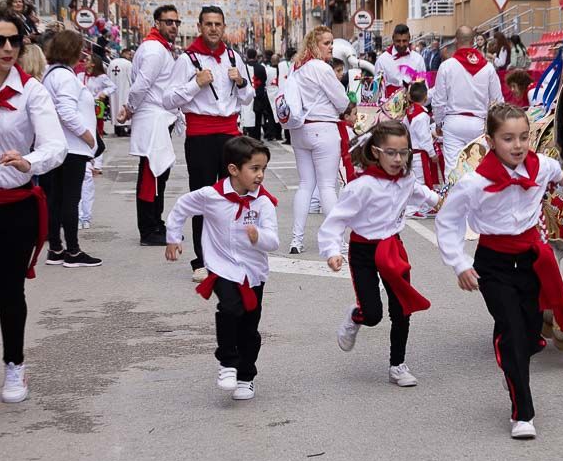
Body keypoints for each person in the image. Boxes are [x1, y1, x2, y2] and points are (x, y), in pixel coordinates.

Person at [435, 103, 563, 441]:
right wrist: (460, 263)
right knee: (511, 330)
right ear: (490, 140)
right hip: (493, 264)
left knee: (528, 336)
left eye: (524, 137)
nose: (517, 145)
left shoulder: (542, 167)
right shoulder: (474, 183)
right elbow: (447, 221)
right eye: (508, 138)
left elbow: (561, 173)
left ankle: (514, 367)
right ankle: (522, 413)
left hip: (529, 261)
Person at [320, 120, 440, 387]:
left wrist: (438, 200)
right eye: (391, 153)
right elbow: (336, 220)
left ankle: (397, 365)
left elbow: (417, 191)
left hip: (392, 248)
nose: (398, 159)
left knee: (401, 309)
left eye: (404, 152)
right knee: (372, 314)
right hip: (364, 250)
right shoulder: (362, 186)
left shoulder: (406, 178)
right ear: (376, 152)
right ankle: (356, 316)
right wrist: (332, 251)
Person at [165, 136, 279, 401]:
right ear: (233, 169)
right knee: (229, 308)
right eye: (254, 168)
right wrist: (173, 237)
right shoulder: (211, 196)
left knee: (249, 330)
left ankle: (246, 376)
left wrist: (257, 237)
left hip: (253, 273)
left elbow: (273, 241)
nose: (260, 175)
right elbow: (181, 207)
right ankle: (227, 362)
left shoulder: (263, 203)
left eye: (263, 168)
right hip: (221, 268)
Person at [0, 10, 67, 403]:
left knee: (8, 290)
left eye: (14, 40)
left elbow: (54, 145)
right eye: (0, 40)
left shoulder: (32, 91)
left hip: (15, 205)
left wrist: (30, 162)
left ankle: (14, 365)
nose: (7, 48)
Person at [163, 6, 254, 283]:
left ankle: (229, 255)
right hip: (200, 135)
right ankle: (201, 260)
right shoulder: (187, 60)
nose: (214, 29)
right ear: (200, 27)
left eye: (218, 24)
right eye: (208, 24)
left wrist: (240, 83)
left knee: (231, 196)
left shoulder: (233, 56)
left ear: (224, 27)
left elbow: (249, 96)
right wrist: (195, 84)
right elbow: (168, 100)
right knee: (203, 197)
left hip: (230, 134)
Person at [286, 26, 353, 255]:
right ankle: (335, 240)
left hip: (299, 129)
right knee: (326, 185)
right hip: (323, 128)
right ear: (315, 45)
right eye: (326, 43)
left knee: (305, 185)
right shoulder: (321, 69)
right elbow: (342, 101)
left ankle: (296, 239)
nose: (331, 47)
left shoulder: (297, 68)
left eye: (331, 42)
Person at [120, 4, 180, 247]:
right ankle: (149, 228)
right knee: (151, 175)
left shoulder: (158, 48)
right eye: (168, 22)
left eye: (176, 22)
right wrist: (129, 108)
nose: (174, 26)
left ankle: (156, 222)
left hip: (157, 116)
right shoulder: (155, 50)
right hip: (153, 117)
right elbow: (142, 85)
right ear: (157, 23)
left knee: (158, 174)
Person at [40, 29, 101, 269]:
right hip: (72, 147)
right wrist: (88, 137)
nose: (84, 55)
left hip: (59, 145)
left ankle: (56, 248)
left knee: (56, 199)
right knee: (69, 200)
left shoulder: (51, 74)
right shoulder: (65, 77)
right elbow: (66, 111)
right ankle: (73, 251)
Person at [430, 25, 503, 175]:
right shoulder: (488, 67)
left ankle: (451, 197)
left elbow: (439, 100)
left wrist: (438, 123)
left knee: (452, 168)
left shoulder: (446, 66)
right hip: (479, 122)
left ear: (456, 42)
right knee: (479, 169)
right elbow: (498, 101)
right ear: (474, 42)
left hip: (453, 122)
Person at [79, 53, 114, 229]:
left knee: (96, 135)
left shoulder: (101, 77)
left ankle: (96, 162)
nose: (86, 64)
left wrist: (102, 94)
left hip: (95, 108)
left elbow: (111, 87)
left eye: (89, 61)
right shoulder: (80, 76)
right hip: (82, 112)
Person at [405, 81, 439, 192]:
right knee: (422, 182)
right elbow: (424, 138)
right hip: (420, 154)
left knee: (415, 181)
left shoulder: (409, 112)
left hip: (411, 152)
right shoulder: (422, 116)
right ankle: (423, 208)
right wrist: (432, 154)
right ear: (425, 98)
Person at [376, 24, 426, 98]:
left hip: (412, 103)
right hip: (388, 105)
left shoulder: (418, 59)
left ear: (409, 39)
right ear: (393, 39)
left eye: (404, 41)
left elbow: (423, 83)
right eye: (398, 41)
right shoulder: (382, 60)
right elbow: (378, 88)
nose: (401, 44)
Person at [108, 46, 133, 137]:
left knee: (115, 106)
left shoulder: (112, 63)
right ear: (124, 53)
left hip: (113, 89)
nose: (130, 56)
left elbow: (108, 75)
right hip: (124, 88)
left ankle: (117, 128)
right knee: (122, 105)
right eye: (129, 54)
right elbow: (132, 78)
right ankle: (123, 128)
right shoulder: (128, 64)